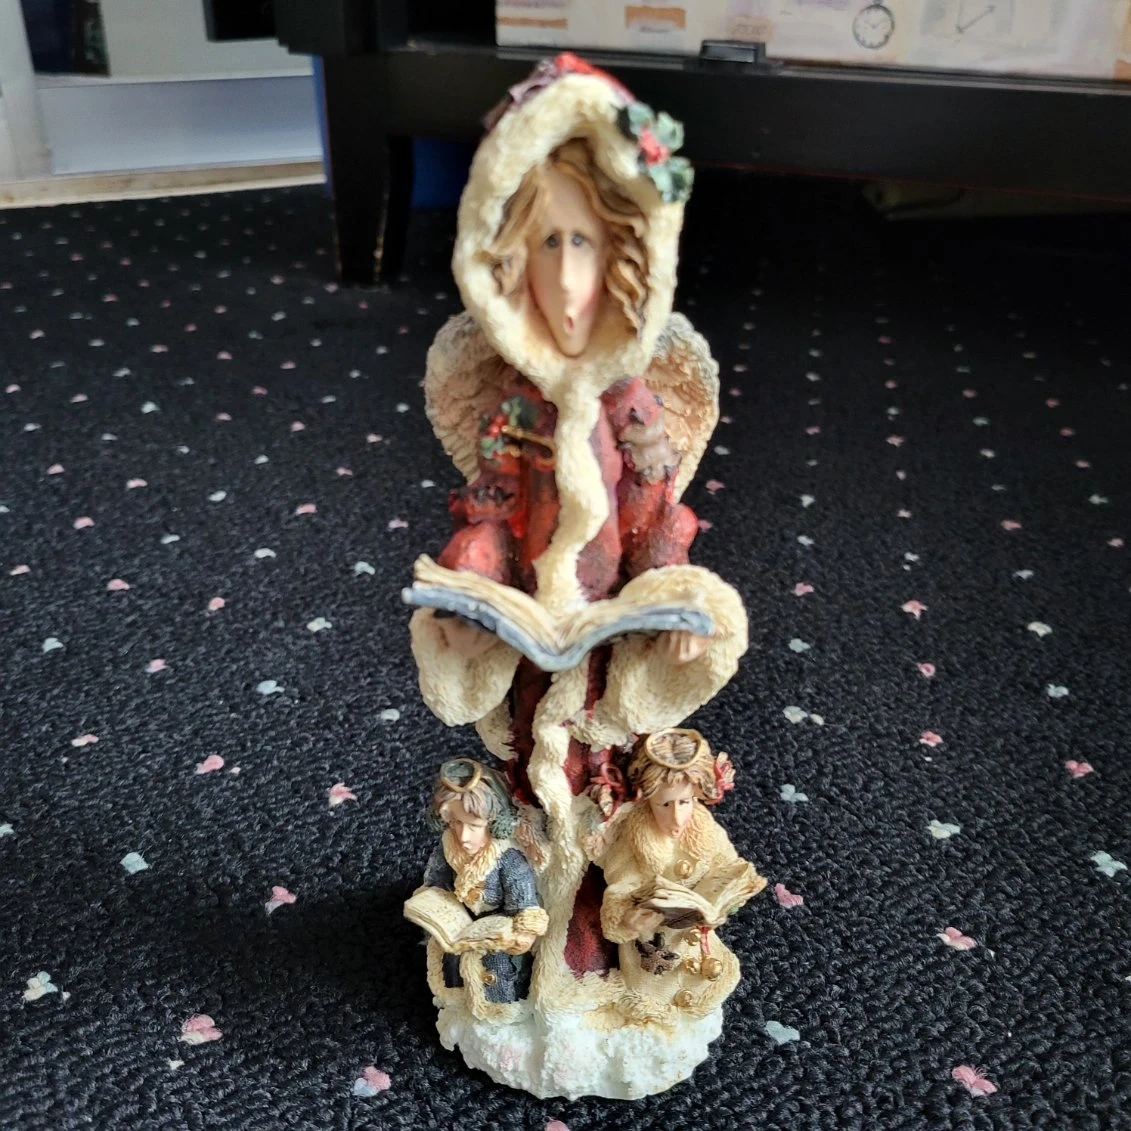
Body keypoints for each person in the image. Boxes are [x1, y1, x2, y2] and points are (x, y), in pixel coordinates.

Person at [408, 54, 749, 1011]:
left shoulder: (633, 408)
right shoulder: (514, 409)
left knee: (599, 780)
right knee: (526, 769)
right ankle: (518, 928)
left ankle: (594, 939)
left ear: (627, 258)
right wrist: (471, 589)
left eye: (584, 246)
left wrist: (672, 598)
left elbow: (654, 516)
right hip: (530, 641)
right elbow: (487, 510)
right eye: (544, 245)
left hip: (606, 647)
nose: (564, 279)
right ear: (505, 263)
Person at [600, 729, 766, 1026]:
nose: (677, 817)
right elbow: (620, 887)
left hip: (699, 944)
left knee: (705, 986)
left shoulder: (702, 826)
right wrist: (627, 919)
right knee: (651, 1009)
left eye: (685, 802)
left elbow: (726, 863)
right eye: (665, 804)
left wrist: (727, 898)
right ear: (646, 798)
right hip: (653, 952)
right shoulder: (636, 838)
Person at [418, 759, 548, 1010]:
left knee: (495, 972)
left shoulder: (508, 859)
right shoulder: (448, 850)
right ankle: (458, 1005)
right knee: (453, 967)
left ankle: (499, 1010)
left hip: (497, 939)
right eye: (456, 823)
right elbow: (436, 884)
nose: (463, 837)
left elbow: (524, 907)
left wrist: (522, 935)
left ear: (496, 822)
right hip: (460, 930)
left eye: (474, 826)